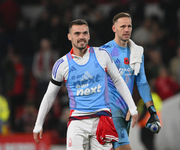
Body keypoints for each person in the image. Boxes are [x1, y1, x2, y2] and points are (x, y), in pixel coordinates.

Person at [33, 19, 138, 150]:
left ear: (89, 35)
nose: (81, 37)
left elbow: (119, 81)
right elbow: (49, 96)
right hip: (77, 122)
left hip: (102, 119)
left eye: (84, 33)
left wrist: (133, 108)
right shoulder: (62, 64)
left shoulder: (102, 55)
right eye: (77, 33)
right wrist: (38, 124)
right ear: (69, 37)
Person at [101, 12, 161, 150]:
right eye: (122, 26)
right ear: (114, 28)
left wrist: (151, 111)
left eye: (129, 26)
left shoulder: (137, 52)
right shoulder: (104, 51)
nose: (126, 29)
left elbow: (142, 82)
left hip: (126, 111)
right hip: (110, 111)